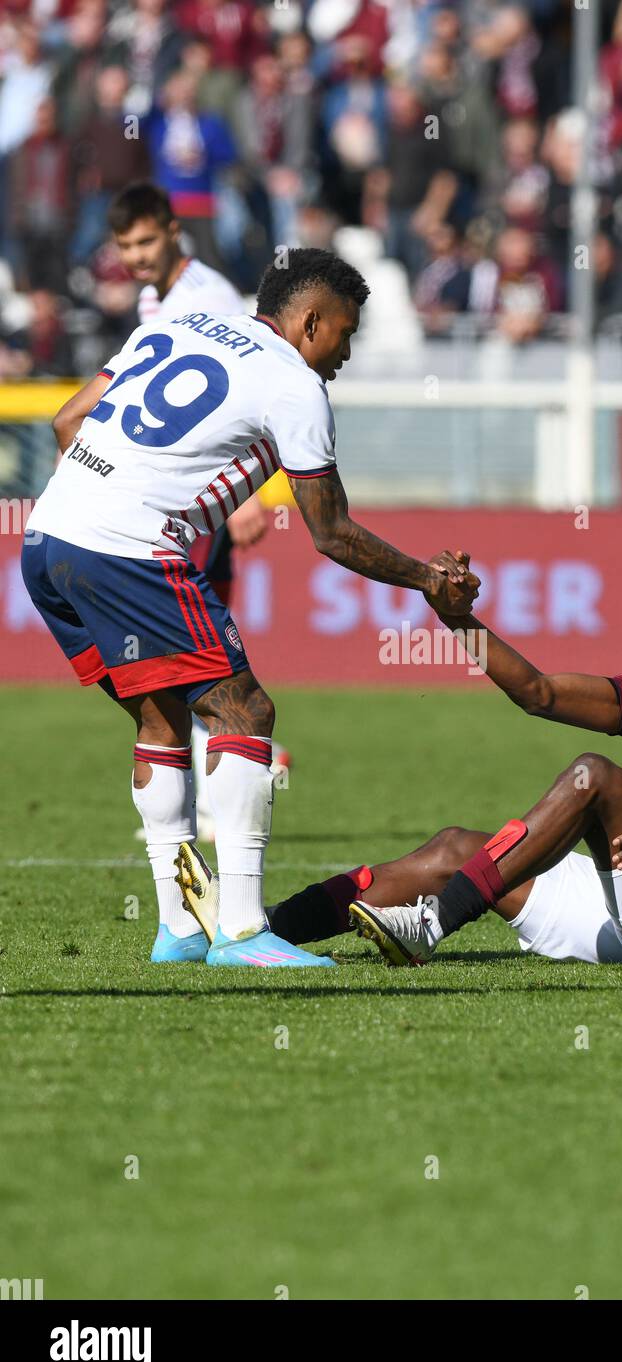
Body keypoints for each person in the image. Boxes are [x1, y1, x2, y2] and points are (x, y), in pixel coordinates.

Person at [21, 248, 479, 969]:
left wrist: (103, 496)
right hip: (130, 546)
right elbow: (331, 533)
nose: (347, 353)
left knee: (162, 716)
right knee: (246, 713)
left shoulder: (183, 326)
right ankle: (239, 929)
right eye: (345, 334)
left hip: (48, 538)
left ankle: (176, 927)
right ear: (310, 322)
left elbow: (67, 420)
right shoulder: (294, 386)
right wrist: (426, 579)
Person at [178, 568, 622, 971]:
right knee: (454, 848)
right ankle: (260, 928)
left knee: (594, 775)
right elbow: (539, 693)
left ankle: (431, 927)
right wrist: (457, 619)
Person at [109, 180, 274, 839]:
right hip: (178, 492)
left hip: (196, 494)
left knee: (182, 644)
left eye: (146, 241)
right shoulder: (158, 296)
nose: (137, 257)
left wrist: (250, 493)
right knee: (195, 637)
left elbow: (249, 391)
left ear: (174, 230)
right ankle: (223, 772)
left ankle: (212, 787)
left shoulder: (209, 298)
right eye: (125, 246)